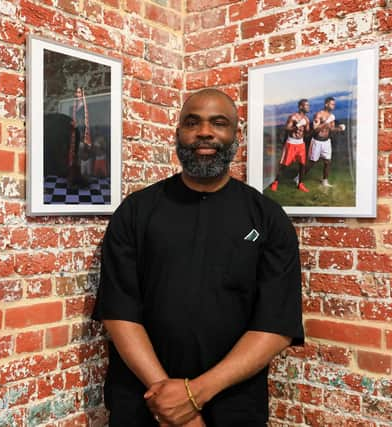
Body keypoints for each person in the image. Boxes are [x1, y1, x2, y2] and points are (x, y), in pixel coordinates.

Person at [93, 89, 303, 427]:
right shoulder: (135, 211)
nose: (204, 132)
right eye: (192, 123)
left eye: (218, 123)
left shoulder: (268, 218)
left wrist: (194, 395)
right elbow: (119, 311)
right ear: (178, 133)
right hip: (143, 400)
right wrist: (170, 401)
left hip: (233, 404)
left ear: (236, 134)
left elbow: (275, 325)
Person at [269, 99, 310, 193]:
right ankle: (275, 182)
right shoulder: (293, 117)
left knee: (302, 165)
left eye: (308, 105)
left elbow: (307, 133)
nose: (308, 107)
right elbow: (287, 128)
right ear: (300, 107)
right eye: (306, 105)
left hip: (301, 143)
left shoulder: (307, 119)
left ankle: (300, 184)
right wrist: (297, 125)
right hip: (291, 143)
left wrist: (313, 127)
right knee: (284, 165)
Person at [304, 97, 346, 187]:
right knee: (312, 162)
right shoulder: (318, 114)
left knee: (327, 161)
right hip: (317, 141)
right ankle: (299, 177)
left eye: (334, 104)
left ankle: (325, 181)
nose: (333, 106)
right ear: (326, 104)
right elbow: (315, 129)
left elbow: (331, 129)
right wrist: (326, 122)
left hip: (326, 141)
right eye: (332, 104)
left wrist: (339, 128)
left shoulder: (332, 116)